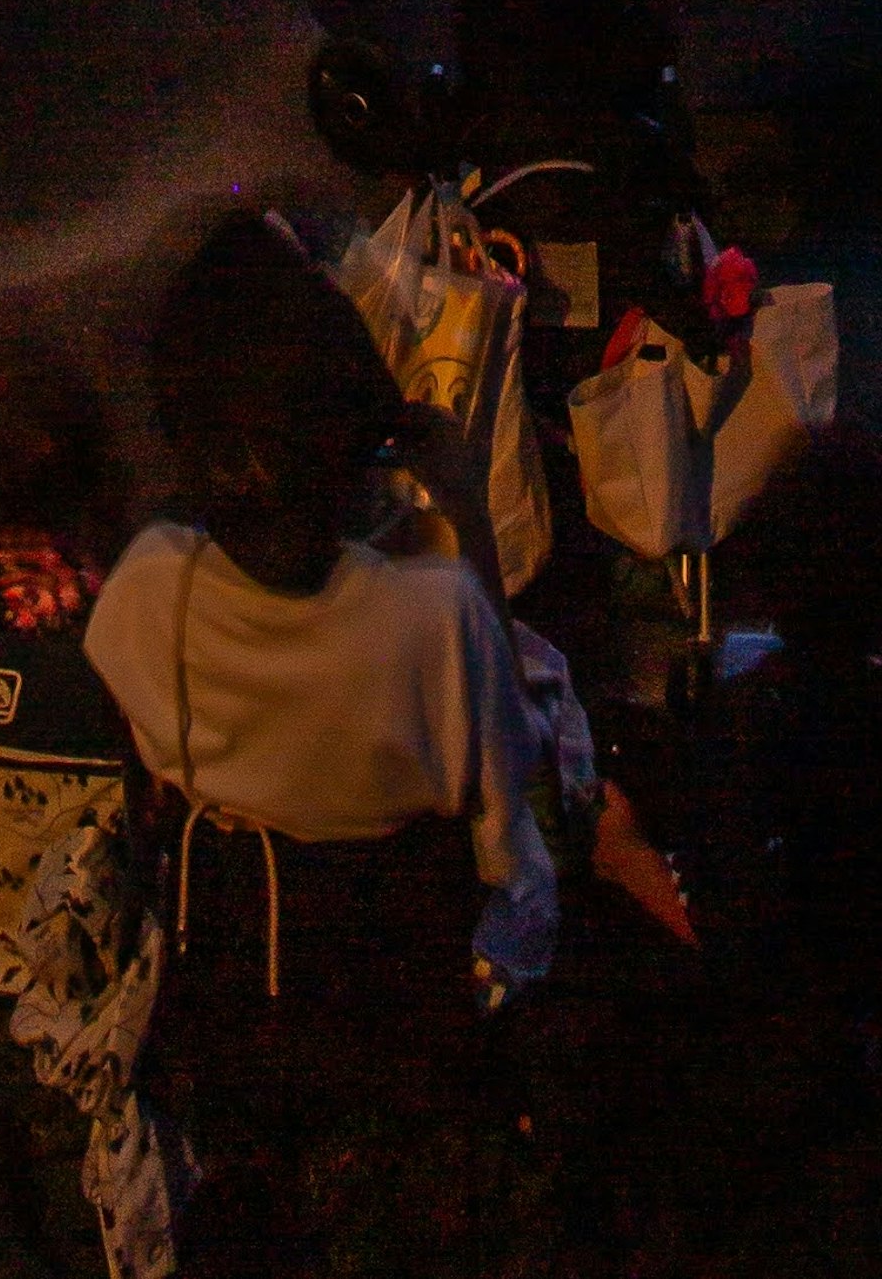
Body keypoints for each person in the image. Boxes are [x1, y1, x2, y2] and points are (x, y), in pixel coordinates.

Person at [82, 217, 555, 1272]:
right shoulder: (432, 615)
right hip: (406, 991)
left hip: (242, 984)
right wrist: (467, 503)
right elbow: (506, 774)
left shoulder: (154, 585)